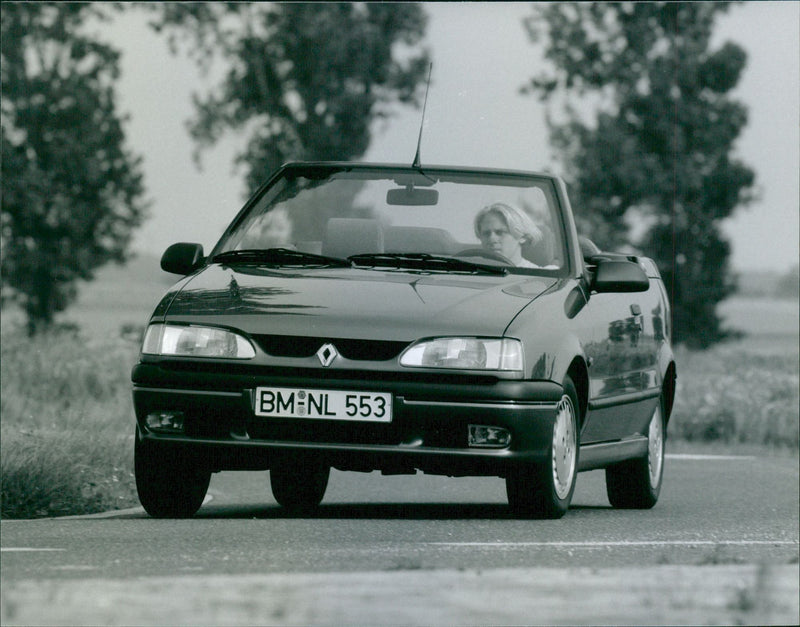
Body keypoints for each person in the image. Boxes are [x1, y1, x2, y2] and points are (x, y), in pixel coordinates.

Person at [474, 202, 544, 267]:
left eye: (500, 232)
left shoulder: (542, 275)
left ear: (523, 237)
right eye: (486, 233)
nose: (492, 239)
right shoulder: (470, 274)